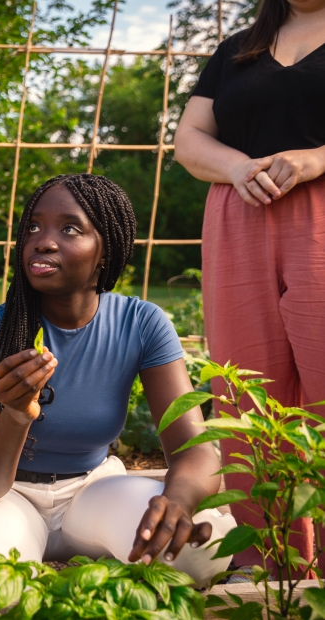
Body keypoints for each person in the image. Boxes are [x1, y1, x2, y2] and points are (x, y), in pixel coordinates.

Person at [0, 174, 237, 600]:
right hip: (9, 496)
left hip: (93, 489)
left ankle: (104, 553)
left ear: (106, 251)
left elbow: (194, 450)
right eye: (33, 227)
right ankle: (40, 555)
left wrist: (178, 501)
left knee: (205, 549)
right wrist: (17, 414)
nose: (43, 241)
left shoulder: (141, 323)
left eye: (69, 229)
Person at [175, 0, 325, 572]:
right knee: (248, 401)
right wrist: (238, 167)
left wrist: (315, 159)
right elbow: (189, 139)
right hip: (240, 218)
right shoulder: (240, 47)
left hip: (320, 217)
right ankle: (275, 576)